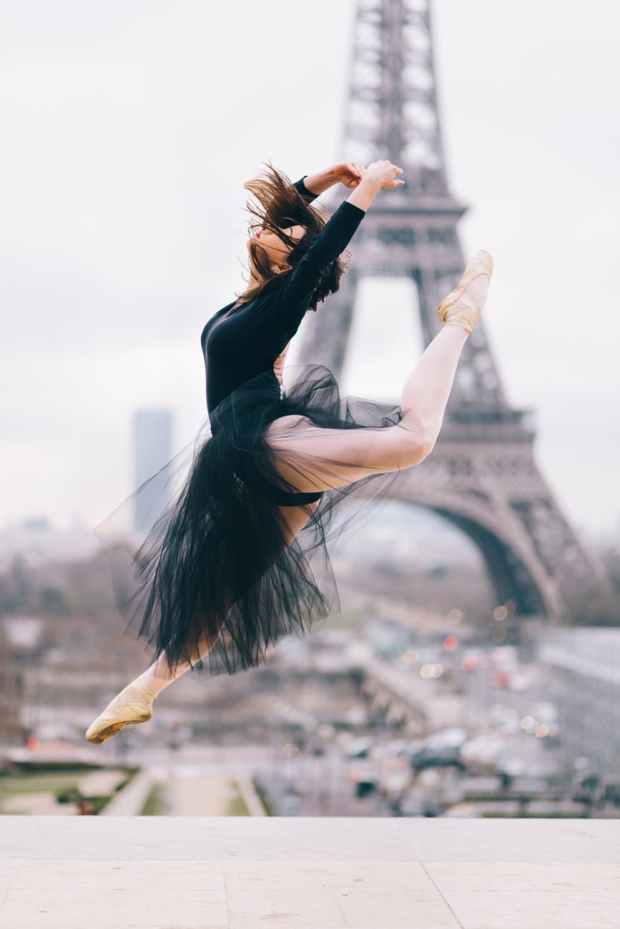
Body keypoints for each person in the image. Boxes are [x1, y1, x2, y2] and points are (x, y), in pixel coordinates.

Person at [85, 160, 493, 743]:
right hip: (251, 466)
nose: (269, 227)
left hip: (271, 442)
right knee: (222, 598)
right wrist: (327, 179)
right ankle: (141, 692)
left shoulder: (284, 305)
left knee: (415, 440)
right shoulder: (251, 300)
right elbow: (286, 216)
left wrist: (369, 190)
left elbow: (319, 253)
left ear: (296, 252)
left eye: (285, 231)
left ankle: (458, 320)